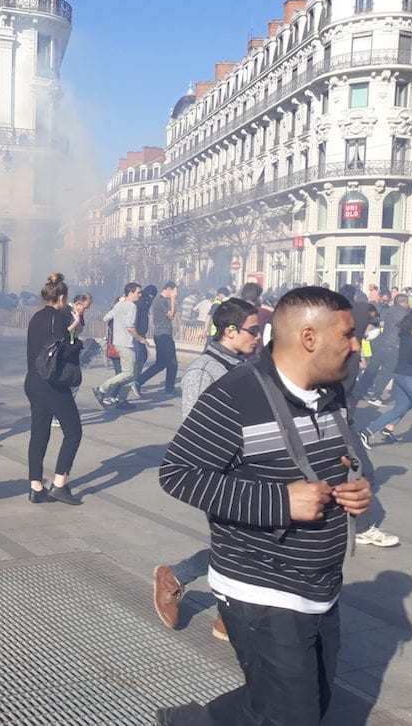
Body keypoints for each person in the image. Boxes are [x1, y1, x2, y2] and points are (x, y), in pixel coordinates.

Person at [156, 287, 372, 726]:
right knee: (295, 715)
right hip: (261, 587)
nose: (356, 345)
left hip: (321, 584)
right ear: (309, 338)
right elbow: (177, 473)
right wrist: (279, 500)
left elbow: (331, 461)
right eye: (349, 334)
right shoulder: (234, 395)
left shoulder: (334, 392)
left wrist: (355, 487)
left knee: (310, 700)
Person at [152, 298, 259, 640]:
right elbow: (194, 431)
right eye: (253, 330)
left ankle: (182, 581)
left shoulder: (247, 367)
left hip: (248, 473)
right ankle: (182, 582)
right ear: (230, 331)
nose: (258, 336)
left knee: (242, 546)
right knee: (238, 546)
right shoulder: (204, 371)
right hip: (218, 476)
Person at [25, 274, 83, 506]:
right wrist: (77, 338)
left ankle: (36, 487)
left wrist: (70, 330)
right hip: (52, 384)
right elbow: (62, 350)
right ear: (61, 297)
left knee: (39, 432)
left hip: (33, 381)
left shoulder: (36, 317)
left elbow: (47, 344)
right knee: (73, 431)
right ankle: (59, 484)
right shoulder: (58, 316)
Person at [360, 302, 412, 459]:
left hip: (401, 374)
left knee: (400, 407)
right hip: (411, 375)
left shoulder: (410, 331)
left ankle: (366, 432)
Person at [92, 282, 145, 411]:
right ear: (131, 293)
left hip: (118, 342)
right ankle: (102, 389)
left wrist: (119, 306)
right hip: (125, 343)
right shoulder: (132, 306)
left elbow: (105, 318)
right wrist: (140, 338)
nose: (140, 295)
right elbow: (130, 327)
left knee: (132, 374)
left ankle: (121, 399)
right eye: (138, 292)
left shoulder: (119, 304)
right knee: (129, 372)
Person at [135, 281, 179, 398]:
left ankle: (170, 388)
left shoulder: (162, 301)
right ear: (169, 289)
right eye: (174, 292)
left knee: (172, 363)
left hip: (165, 334)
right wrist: (173, 301)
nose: (175, 295)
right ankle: (139, 381)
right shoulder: (160, 300)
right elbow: (171, 315)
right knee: (161, 363)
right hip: (163, 335)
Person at [132, 284, 157, 385]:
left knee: (143, 356)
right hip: (136, 335)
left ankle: (135, 378)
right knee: (139, 358)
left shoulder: (145, 303)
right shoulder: (140, 303)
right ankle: (134, 380)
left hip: (142, 334)